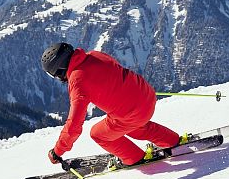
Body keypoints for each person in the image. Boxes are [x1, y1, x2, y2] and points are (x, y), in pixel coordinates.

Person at [41, 42, 185, 167]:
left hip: (133, 112)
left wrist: (57, 151)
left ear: (59, 70)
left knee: (98, 134)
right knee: (131, 126)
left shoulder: (77, 81)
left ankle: (134, 158)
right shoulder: (94, 54)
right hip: (146, 95)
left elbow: (74, 126)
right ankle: (172, 140)